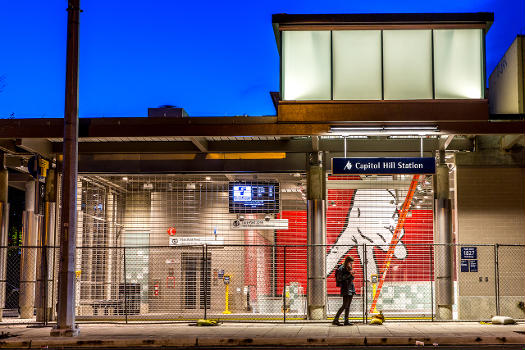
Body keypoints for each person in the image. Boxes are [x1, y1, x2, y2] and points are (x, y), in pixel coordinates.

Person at [332, 256, 355, 326]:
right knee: (344, 305)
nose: (351, 264)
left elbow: (351, 278)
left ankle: (346, 320)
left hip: (350, 287)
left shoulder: (349, 267)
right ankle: (335, 319)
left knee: (348, 305)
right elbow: (340, 279)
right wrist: (349, 275)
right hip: (345, 288)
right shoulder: (341, 268)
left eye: (351, 263)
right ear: (347, 262)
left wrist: (352, 274)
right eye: (350, 263)